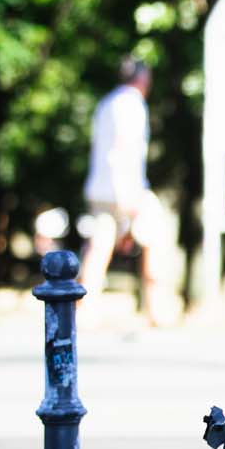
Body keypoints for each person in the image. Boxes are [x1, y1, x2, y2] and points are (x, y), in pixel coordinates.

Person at [77, 56, 177, 326]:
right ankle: (156, 308)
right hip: (127, 187)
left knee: (98, 248)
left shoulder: (107, 103)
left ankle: (86, 308)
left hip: (101, 187)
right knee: (156, 240)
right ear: (143, 79)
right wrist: (129, 194)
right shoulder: (132, 105)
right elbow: (125, 148)